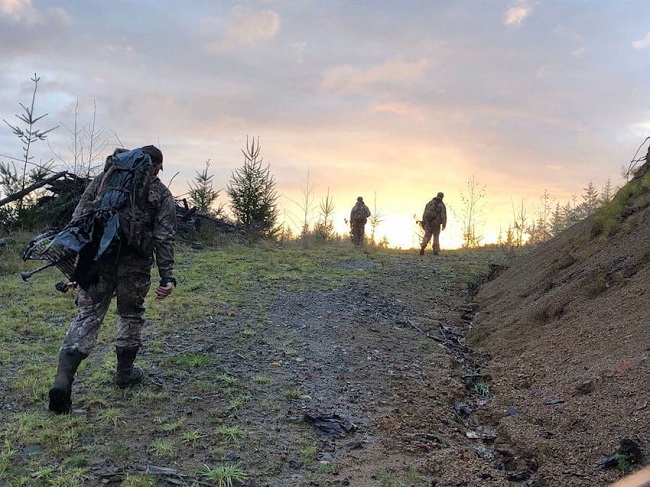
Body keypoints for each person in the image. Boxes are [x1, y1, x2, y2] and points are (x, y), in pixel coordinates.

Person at [48, 145, 177, 414]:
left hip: (98, 258)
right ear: (156, 166)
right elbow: (164, 237)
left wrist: (78, 264)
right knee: (130, 315)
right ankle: (124, 374)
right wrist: (168, 276)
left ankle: (63, 380)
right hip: (135, 264)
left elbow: (79, 218)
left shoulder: (104, 180)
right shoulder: (160, 193)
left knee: (86, 316)